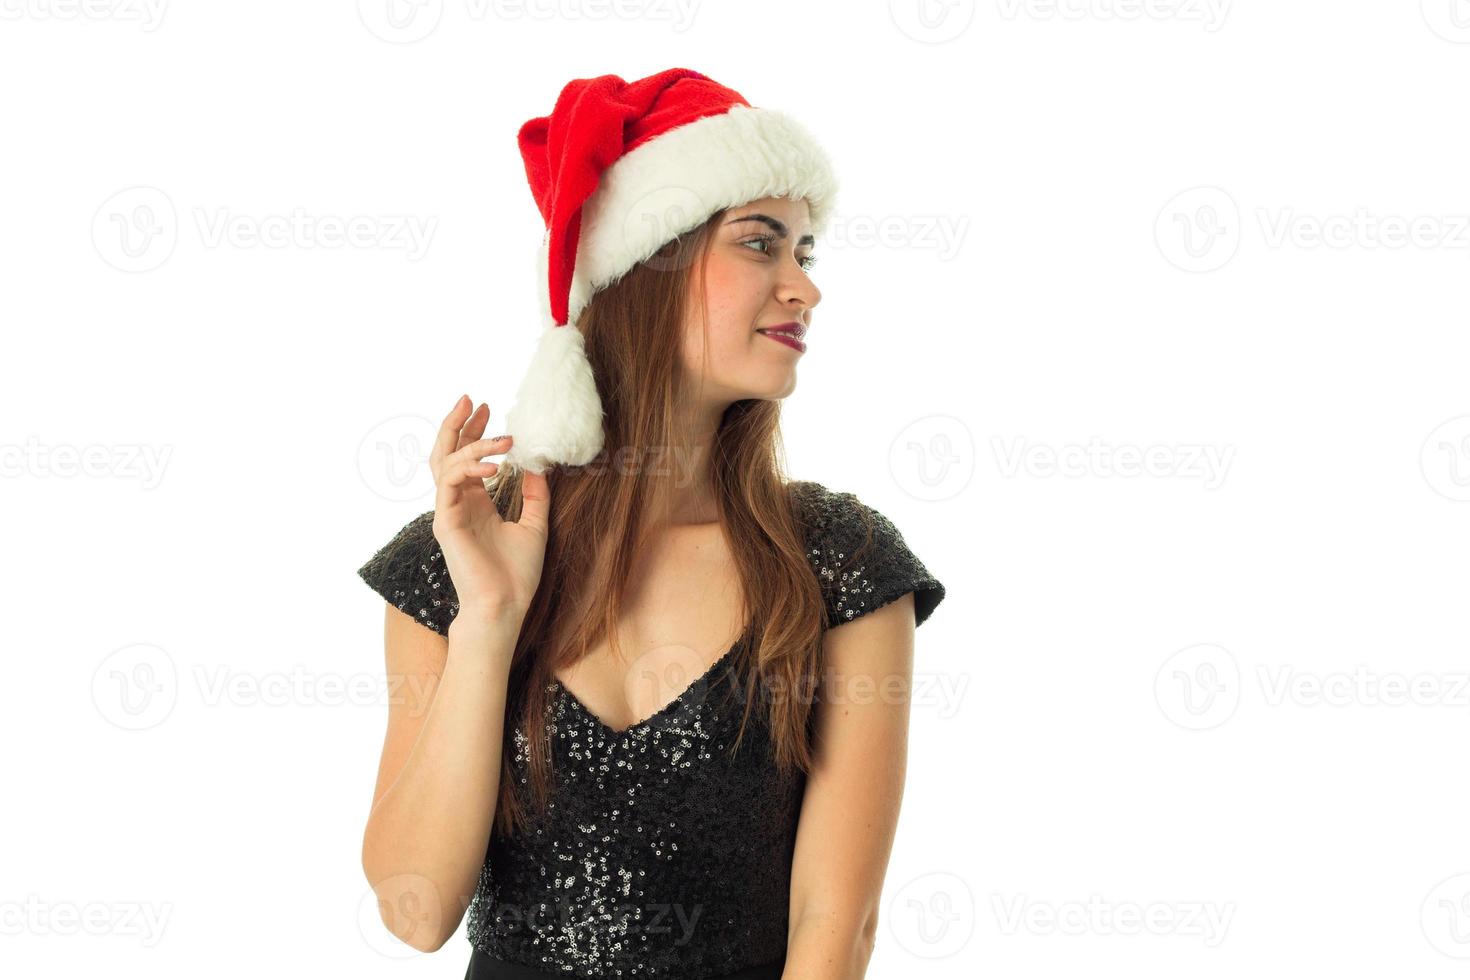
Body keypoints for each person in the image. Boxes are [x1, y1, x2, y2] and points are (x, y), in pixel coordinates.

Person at [357, 68, 947, 980]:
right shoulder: (457, 555)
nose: (804, 288)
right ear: (647, 262)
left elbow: (836, 929)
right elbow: (418, 908)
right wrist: (488, 622)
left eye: (807, 252)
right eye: (762, 244)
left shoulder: (839, 563)